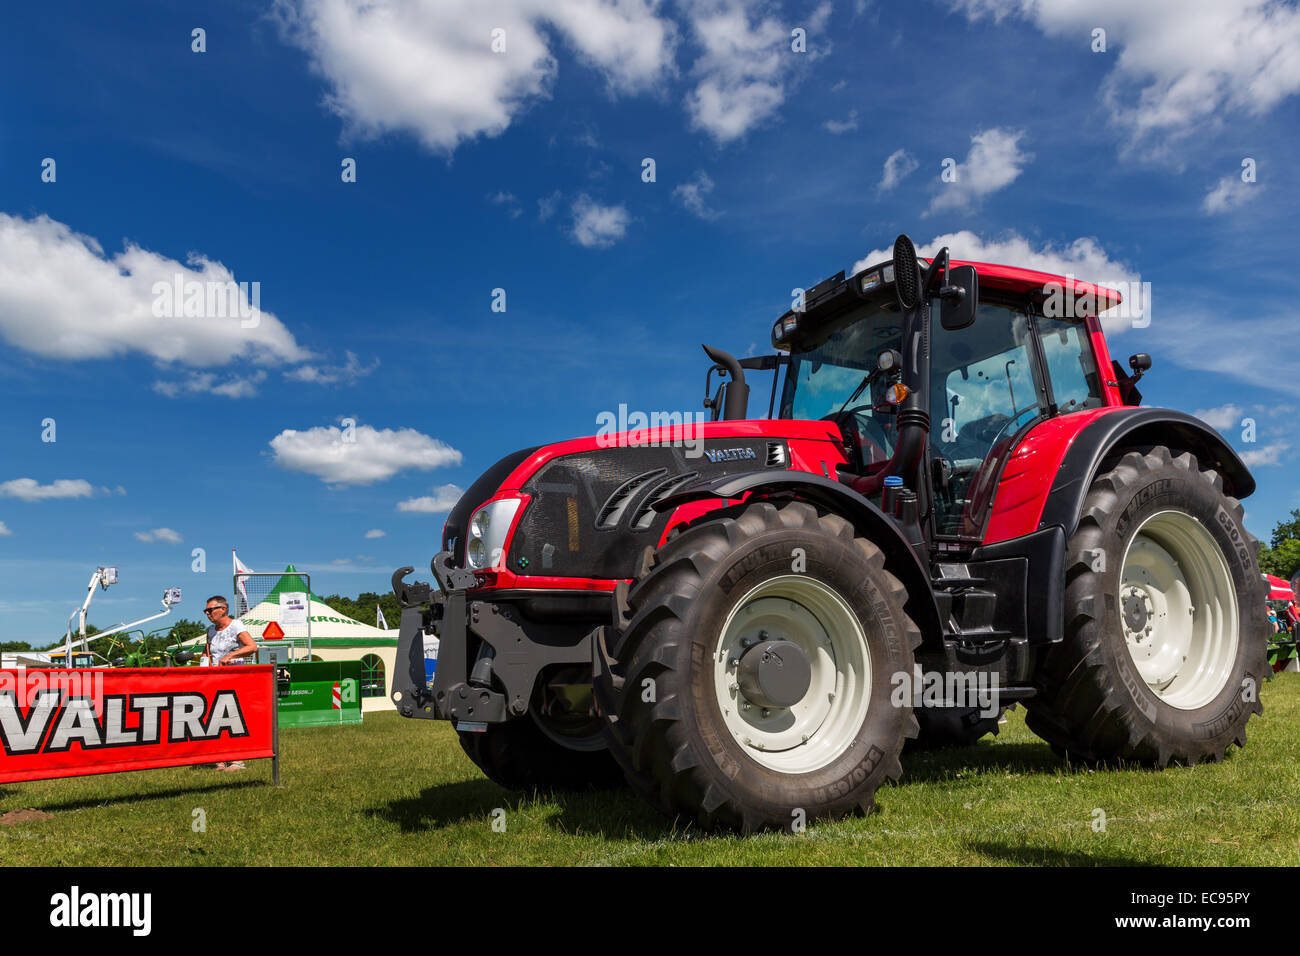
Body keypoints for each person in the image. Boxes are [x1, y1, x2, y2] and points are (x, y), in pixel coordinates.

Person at [203, 595, 257, 771]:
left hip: (235, 678)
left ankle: (238, 760)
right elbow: (208, 653)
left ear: (223, 609)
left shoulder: (236, 626)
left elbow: (252, 647)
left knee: (233, 718)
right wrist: (205, 663)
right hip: (216, 679)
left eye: (210, 610)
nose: (207, 613)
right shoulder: (211, 631)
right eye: (206, 611)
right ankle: (220, 758)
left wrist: (229, 656)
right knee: (216, 718)